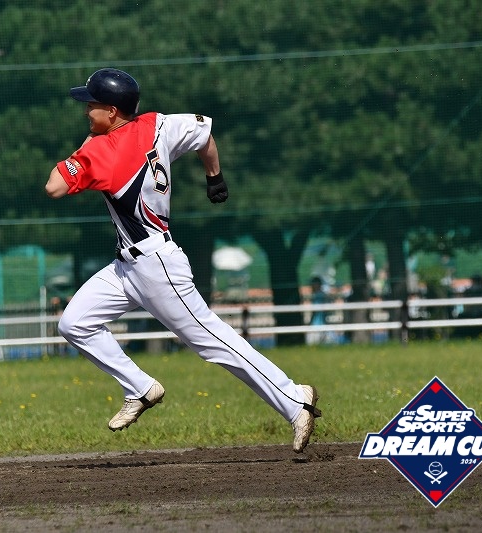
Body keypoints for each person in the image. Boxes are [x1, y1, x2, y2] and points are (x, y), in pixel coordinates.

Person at [45, 68, 321, 453]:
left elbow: (54, 186)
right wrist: (214, 176)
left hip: (155, 266)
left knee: (213, 341)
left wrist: (88, 143)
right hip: (127, 266)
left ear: (111, 111)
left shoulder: (101, 150)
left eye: (91, 105)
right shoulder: (157, 124)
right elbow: (205, 133)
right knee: (74, 323)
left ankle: (294, 399)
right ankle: (140, 388)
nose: (85, 110)